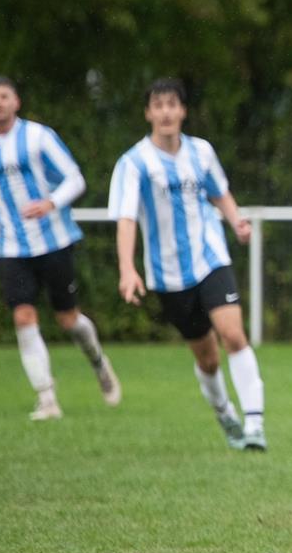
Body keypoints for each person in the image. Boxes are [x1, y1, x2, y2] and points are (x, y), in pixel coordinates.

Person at [108, 78, 266, 451]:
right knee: (208, 359)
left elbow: (219, 191)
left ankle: (255, 423)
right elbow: (126, 219)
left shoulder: (202, 152)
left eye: (171, 104)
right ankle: (225, 413)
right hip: (168, 276)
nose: (165, 111)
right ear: (148, 113)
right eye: (157, 105)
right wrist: (127, 269)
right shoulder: (134, 163)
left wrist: (236, 221)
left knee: (233, 335)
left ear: (182, 111)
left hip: (211, 257)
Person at [0, 75, 121, 420]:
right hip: (10, 245)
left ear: (16, 101)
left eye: (4, 96)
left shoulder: (38, 137)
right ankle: (47, 398)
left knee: (68, 319)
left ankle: (98, 362)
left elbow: (75, 179)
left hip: (54, 240)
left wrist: (50, 203)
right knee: (23, 315)